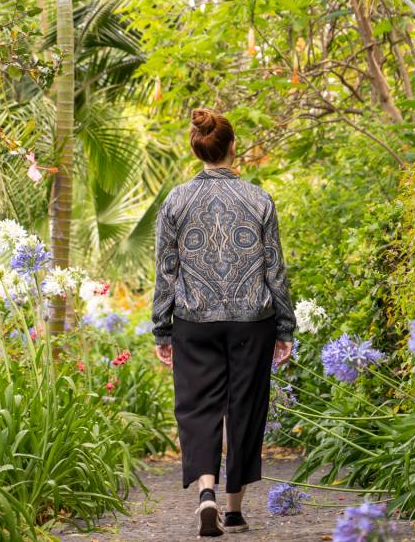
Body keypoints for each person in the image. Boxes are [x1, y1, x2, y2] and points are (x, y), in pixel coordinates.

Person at [151, 108, 296, 537]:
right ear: (233, 147)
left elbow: (165, 270)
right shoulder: (259, 199)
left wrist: (162, 327)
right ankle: (233, 511)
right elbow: (275, 269)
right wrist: (285, 326)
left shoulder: (175, 201)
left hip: (194, 320)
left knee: (198, 407)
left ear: (199, 149)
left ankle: (207, 493)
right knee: (245, 408)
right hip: (253, 319)